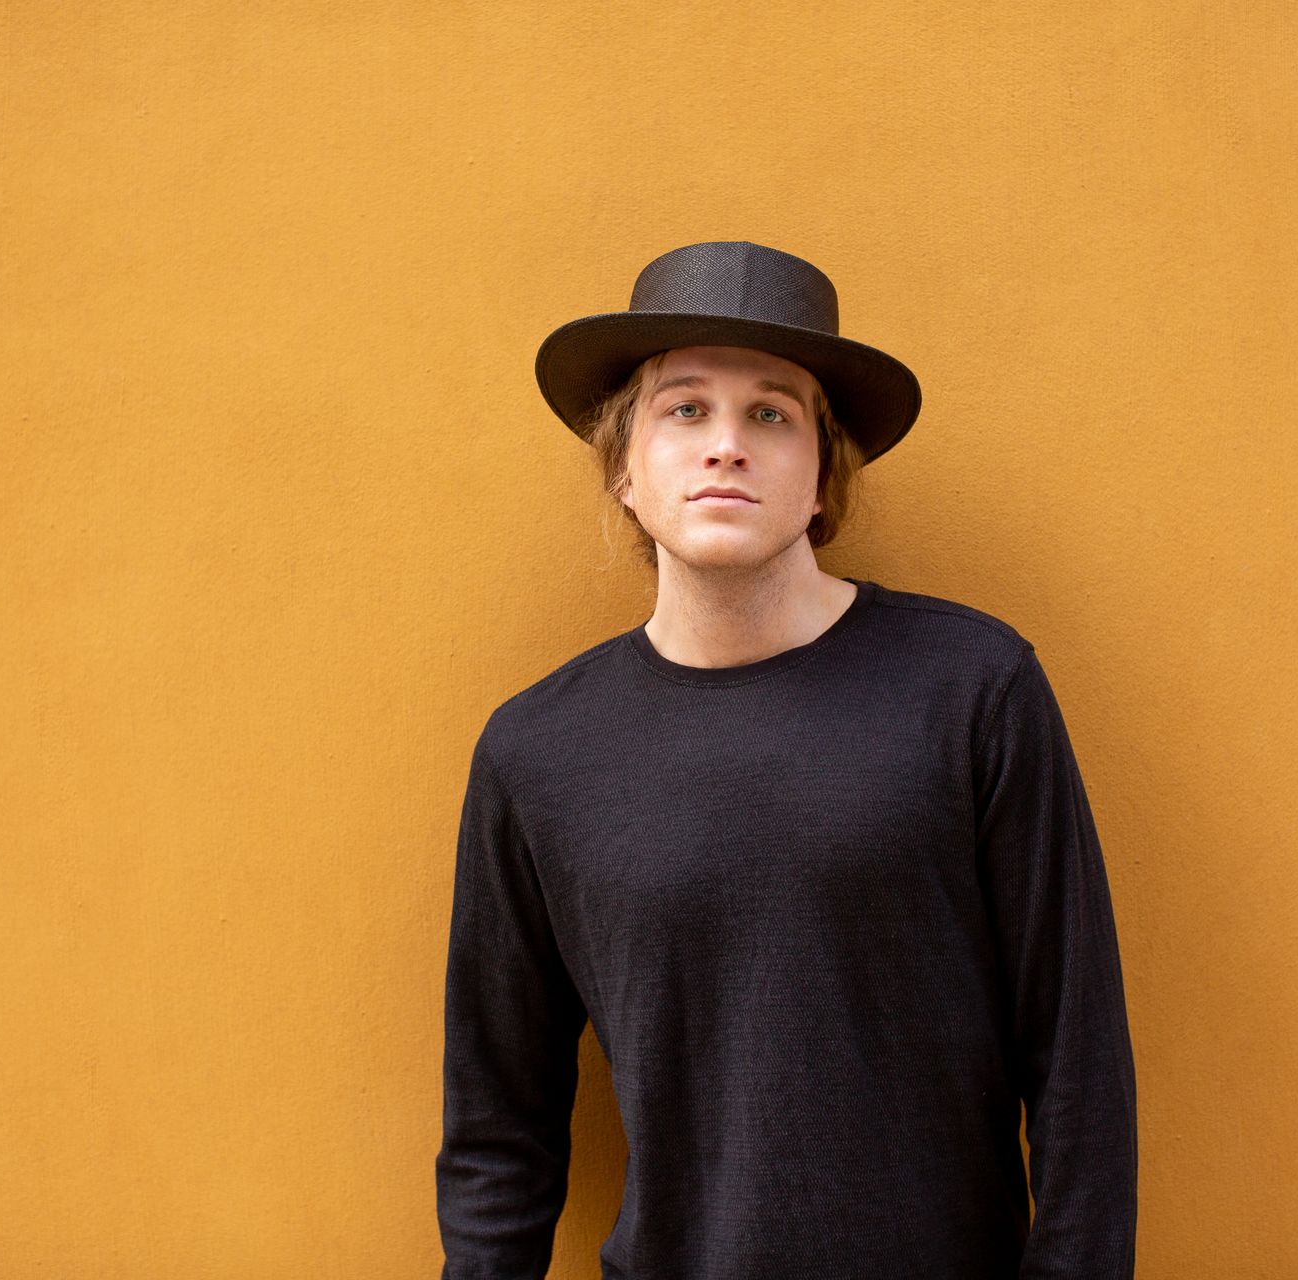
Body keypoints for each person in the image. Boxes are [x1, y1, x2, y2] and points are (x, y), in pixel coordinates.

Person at [435, 240, 1137, 1279]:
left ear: (821, 476)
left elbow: (1077, 1060)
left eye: (771, 412)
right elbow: (500, 1122)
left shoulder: (971, 688)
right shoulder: (538, 752)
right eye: (685, 410)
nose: (728, 445)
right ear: (625, 469)